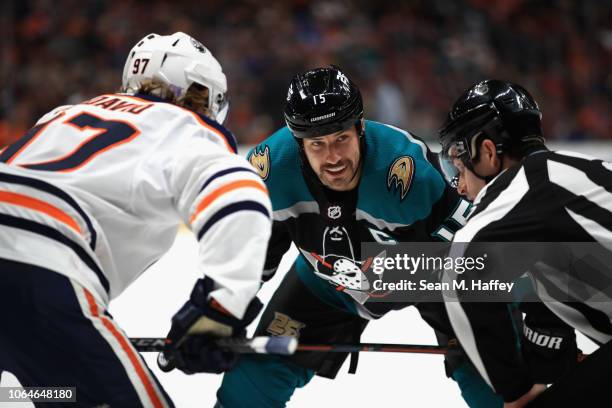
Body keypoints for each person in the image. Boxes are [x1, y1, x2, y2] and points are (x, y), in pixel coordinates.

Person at [0, 32, 272, 407]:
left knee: (49, 393)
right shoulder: (184, 127)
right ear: (202, 92)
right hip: (40, 263)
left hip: (31, 274)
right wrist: (218, 310)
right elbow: (240, 194)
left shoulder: (64, 114)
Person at [215, 66, 504, 408]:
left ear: (360, 127)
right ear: (297, 143)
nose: (333, 157)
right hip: (329, 279)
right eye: (317, 144)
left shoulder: (406, 172)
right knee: (249, 386)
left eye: (341, 138)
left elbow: (476, 259)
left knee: (499, 384)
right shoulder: (269, 171)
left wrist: (521, 325)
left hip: (432, 277)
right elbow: (248, 263)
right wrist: (214, 316)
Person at [439, 79, 612, 407]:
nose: (460, 187)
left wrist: (516, 392)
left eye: (459, 167)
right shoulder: (577, 173)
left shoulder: (522, 190)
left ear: (487, 152)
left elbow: (461, 271)